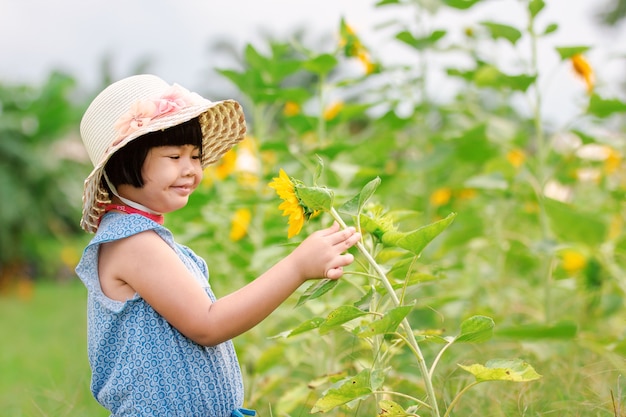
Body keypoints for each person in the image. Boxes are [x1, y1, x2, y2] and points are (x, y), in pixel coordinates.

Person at [75, 74, 361, 417]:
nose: (191, 170)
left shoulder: (144, 238)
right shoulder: (133, 243)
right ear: (125, 161)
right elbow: (208, 324)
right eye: (174, 157)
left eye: (195, 156)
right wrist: (297, 267)